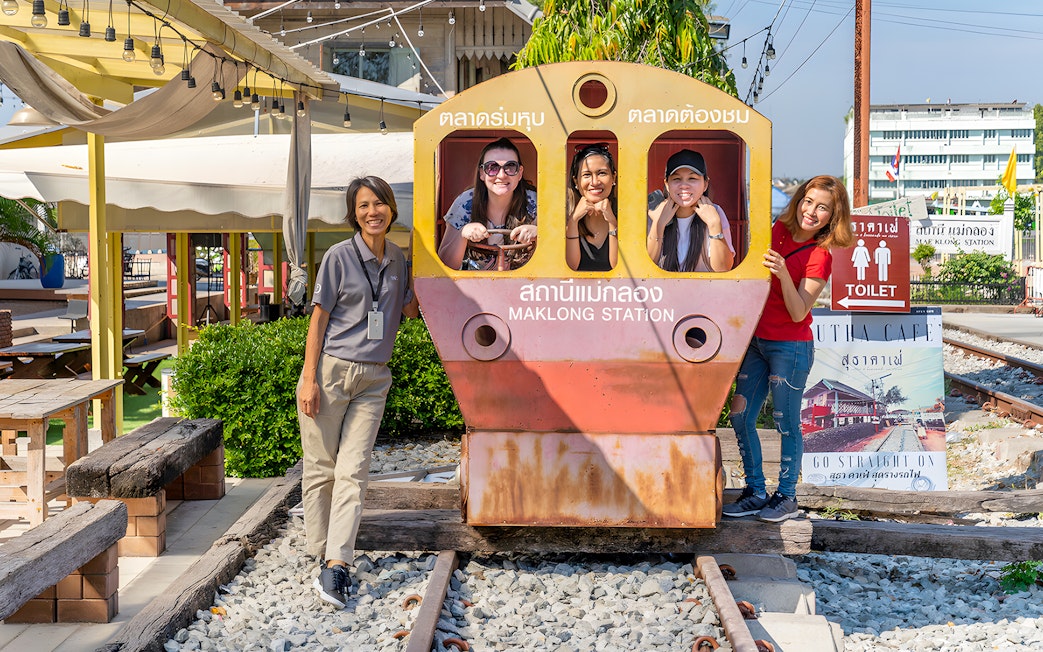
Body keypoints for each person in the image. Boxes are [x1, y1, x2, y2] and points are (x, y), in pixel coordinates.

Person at [297, 176, 420, 608]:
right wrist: (309, 377)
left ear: (392, 209)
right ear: (354, 212)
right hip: (330, 373)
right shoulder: (337, 257)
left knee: (354, 470)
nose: (374, 212)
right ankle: (319, 550)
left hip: (374, 378)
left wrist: (425, 267)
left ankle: (336, 563)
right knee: (321, 469)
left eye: (380, 203)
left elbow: (409, 309)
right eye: (365, 205)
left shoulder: (400, 258)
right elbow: (318, 320)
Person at [723, 175, 855, 523]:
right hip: (756, 340)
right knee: (741, 416)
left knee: (785, 422)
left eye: (822, 207)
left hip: (790, 347)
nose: (811, 211)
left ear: (832, 216)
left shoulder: (820, 256)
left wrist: (783, 273)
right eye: (808, 201)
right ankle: (754, 491)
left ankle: (786, 496)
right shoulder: (778, 228)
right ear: (799, 200)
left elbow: (799, 312)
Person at [437, 137, 538, 270]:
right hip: (476, 286)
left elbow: (555, 259)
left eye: (510, 167)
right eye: (492, 167)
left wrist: (540, 234)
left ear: (519, 173)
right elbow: (445, 265)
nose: (501, 175)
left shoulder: (536, 203)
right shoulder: (465, 203)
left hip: (526, 287)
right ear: (482, 174)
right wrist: (463, 233)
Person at [646, 149, 735, 272]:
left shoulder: (716, 212)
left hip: (702, 291)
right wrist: (658, 224)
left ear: (705, 184)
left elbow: (723, 268)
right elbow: (645, 268)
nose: (684, 185)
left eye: (692, 178)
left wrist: (715, 225)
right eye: (677, 179)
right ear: (667, 184)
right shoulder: (654, 212)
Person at [566, 143, 618, 271]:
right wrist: (573, 222)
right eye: (587, 175)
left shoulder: (627, 213)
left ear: (614, 178)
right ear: (576, 182)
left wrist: (612, 222)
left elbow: (617, 267)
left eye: (602, 173)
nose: (594, 182)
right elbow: (572, 266)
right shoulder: (563, 217)